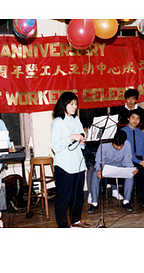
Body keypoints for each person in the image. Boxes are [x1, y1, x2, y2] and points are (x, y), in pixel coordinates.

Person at [50, 92, 91, 228]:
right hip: (64, 165)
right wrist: (71, 137)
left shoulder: (76, 120)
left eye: (76, 104)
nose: (75, 107)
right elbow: (55, 146)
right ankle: (62, 225)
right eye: (71, 104)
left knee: (78, 196)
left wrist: (82, 142)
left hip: (78, 165)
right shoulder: (57, 122)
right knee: (63, 198)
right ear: (64, 104)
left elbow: (80, 141)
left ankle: (76, 221)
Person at [88, 130, 138, 213]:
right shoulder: (103, 145)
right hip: (105, 167)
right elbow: (99, 161)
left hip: (119, 165)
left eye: (121, 146)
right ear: (112, 142)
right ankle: (94, 203)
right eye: (116, 146)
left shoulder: (127, 144)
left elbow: (127, 161)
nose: (119, 148)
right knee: (94, 175)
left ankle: (126, 201)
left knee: (131, 175)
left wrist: (132, 169)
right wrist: (99, 170)